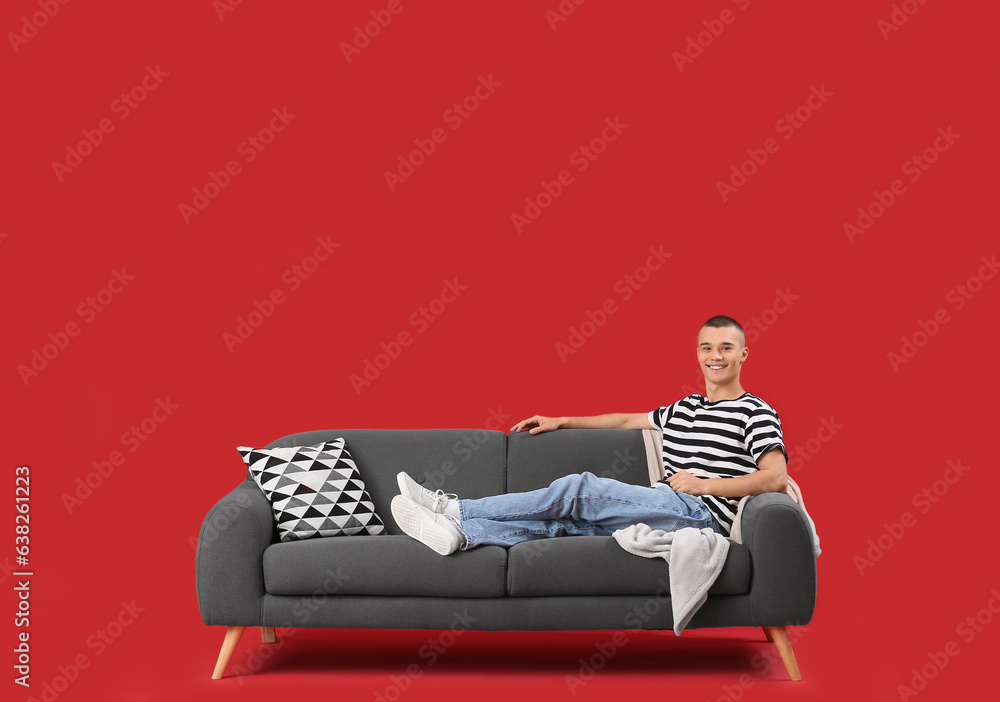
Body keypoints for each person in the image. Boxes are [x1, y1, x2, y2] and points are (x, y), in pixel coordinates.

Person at [390, 315, 789, 555]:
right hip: (669, 502)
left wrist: (704, 486)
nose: (714, 356)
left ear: (743, 354)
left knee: (579, 489)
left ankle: (455, 510)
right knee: (561, 526)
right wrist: (562, 419)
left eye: (725, 348)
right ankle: (462, 536)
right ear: (698, 353)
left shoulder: (755, 411)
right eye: (706, 348)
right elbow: (624, 421)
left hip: (700, 513)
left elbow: (775, 477)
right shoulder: (684, 407)